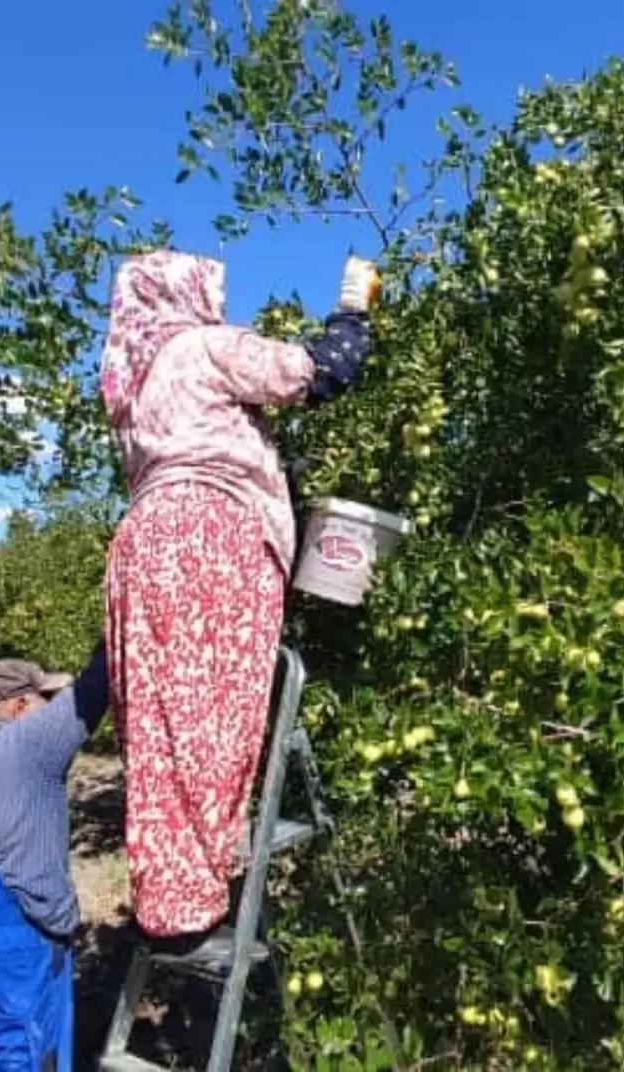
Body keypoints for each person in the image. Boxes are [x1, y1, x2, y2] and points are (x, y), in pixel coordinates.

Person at [100, 249, 379, 944]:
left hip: (144, 544)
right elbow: (319, 373)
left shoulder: (132, 383)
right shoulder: (202, 348)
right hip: (210, 539)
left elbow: (216, 439)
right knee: (219, 719)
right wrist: (354, 311)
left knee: (163, 729)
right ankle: (195, 907)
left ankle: (168, 903)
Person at [0, 645, 108, 1072]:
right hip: (17, 945)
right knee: (24, 1058)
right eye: (45, 702)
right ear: (21, 704)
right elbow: (93, 690)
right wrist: (126, 613)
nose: (50, 711)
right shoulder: (28, 743)